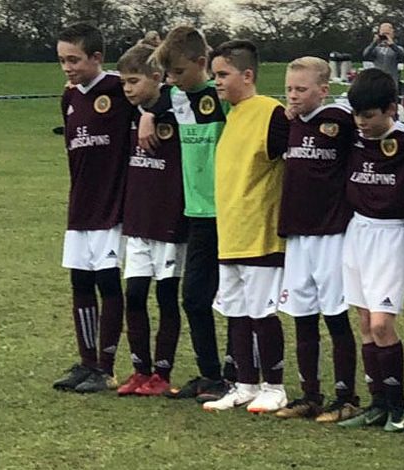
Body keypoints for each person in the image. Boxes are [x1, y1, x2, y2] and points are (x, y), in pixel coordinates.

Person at [138, 26, 233, 402]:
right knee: (194, 297)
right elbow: (152, 99)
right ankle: (211, 374)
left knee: (238, 300)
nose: (173, 80)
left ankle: (243, 375)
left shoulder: (222, 96)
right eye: (168, 75)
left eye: (179, 72)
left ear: (201, 63)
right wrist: (147, 114)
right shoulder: (175, 96)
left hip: (229, 210)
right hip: (197, 212)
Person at [202, 39, 289, 414]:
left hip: (261, 234)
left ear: (247, 74)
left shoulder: (271, 112)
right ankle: (245, 384)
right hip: (231, 233)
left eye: (223, 74)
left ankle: (275, 385)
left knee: (261, 313)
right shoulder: (232, 113)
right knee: (235, 312)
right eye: (214, 74)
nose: (216, 81)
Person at [274, 57, 361, 423]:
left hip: (332, 233)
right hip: (297, 233)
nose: (293, 97)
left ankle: (346, 396)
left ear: (323, 91)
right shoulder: (284, 124)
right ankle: (310, 393)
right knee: (302, 314)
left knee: (335, 315)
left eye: (301, 90)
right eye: (289, 89)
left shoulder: (340, 122)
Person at [335, 68, 404, 433]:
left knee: (383, 322)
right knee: (365, 322)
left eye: (368, 116)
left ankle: (398, 407)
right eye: (356, 115)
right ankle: (377, 404)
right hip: (357, 231)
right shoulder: (351, 135)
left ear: (391, 109)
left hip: (391, 234)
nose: (361, 123)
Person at [52, 23, 132, 393]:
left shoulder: (118, 88)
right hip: (80, 204)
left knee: (106, 281)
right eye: (62, 60)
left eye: (74, 60)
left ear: (97, 58)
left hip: (112, 204)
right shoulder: (70, 98)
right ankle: (86, 362)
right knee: (80, 281)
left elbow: (158, 97)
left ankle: (106, 366)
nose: (67, 67)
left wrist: (149, 116)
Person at [113, 44, 186, 396]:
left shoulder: (175, 109)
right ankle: (140, 370)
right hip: (139, 220)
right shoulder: (131, 112)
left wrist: (153, 113)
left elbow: (176, 98)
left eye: (133, 81)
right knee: (135, 294)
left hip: (169, 221)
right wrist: (144, 112)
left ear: (157, 78)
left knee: (167, 296)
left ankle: (162, 372)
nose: (126, 88)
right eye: (123, 81)